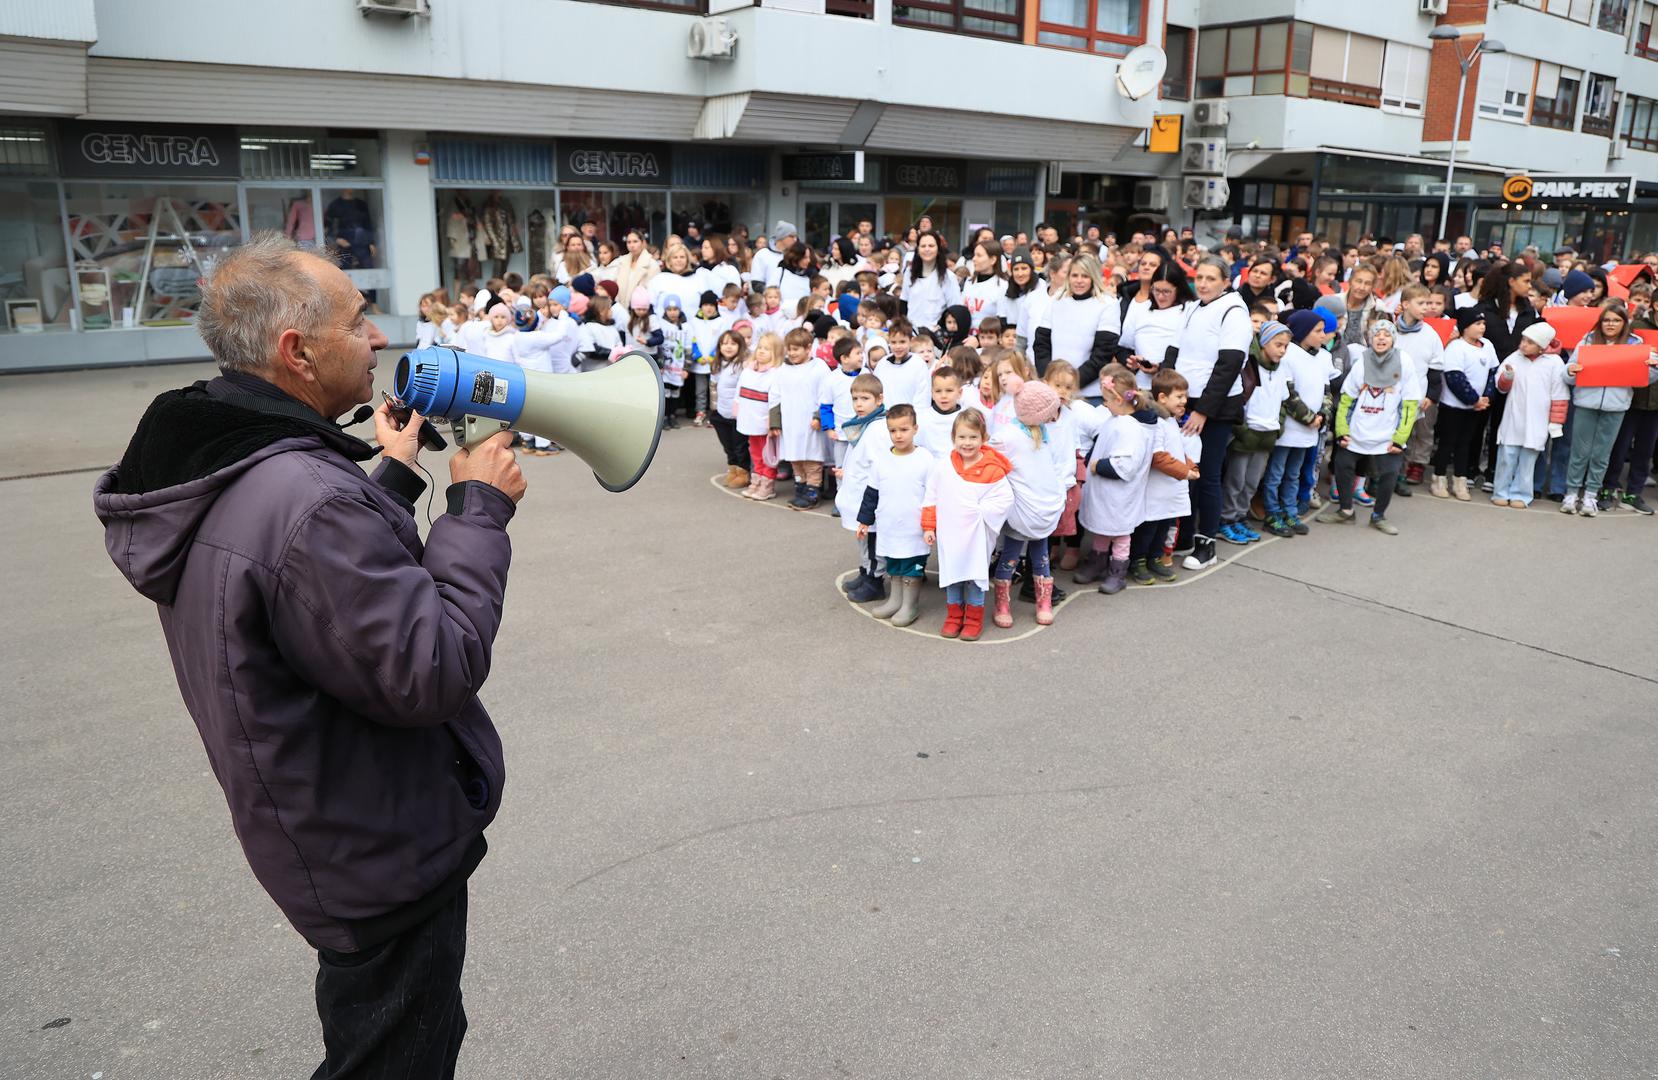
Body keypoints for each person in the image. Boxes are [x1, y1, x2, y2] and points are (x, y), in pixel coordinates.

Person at [94, 234, 526, 1079]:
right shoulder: (309, 496)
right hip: (376, 844)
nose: (378, 341)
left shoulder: (227, 455)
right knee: (397, 1055)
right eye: (359, 324)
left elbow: (317, 592)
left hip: (319, 821)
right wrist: (476, 511)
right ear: (296, 352)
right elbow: (428, 665)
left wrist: (392, 483)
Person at [1170, 254, 1253, 570]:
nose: (1202, 284)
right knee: (1186, 471)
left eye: (1210, 278)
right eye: (1199, 277)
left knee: (1208, 475)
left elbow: (1229, 365)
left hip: (1214, 407)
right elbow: (1176, 351)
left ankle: (1207, 543)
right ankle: (1186, 535)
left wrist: (1204, 410)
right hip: (1184, 400)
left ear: (1225, 281)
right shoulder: (1192, 307)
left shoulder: (1234, 311)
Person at [921, 409, 1014, 641]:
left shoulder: (993, 469)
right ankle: (953, 617)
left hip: (977, 535)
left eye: (973, 437)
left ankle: (973, 619)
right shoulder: (944, 467)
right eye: (962, 437)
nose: (967, 442)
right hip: (950, 533)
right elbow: (931, 496)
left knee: (974, 575)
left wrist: (979, 511)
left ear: (983, 438)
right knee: (953, 573)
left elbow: (1004, 499)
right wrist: (929, 526)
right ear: (954, 438)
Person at [1318, 320, 1417, 534]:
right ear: (1370, 338)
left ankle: (1378, 516)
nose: (1381, 338)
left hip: (1387, 434)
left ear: (1393, 339)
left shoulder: (1404, 361)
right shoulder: (1361, 361)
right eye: (1377, 334)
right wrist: (1342, 430)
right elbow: (1346, 398)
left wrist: (1400, 437)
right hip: (1357, 431)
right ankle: (1345, 511)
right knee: (1342, 465)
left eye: (1386, 334)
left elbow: (1410, 403)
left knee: (1390, 473)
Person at [1221, 321, 1316, 543]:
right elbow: (1237, 401)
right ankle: (1226, 519)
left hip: (1267, 435)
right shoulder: (1249, 366)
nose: (1282, 350)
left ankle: (1241, 516)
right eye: (1278, 345)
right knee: (1236, 480)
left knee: (1252, 481)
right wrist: (1242, 430)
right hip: (1247, 433)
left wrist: (1279, 427)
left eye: (1285, 346)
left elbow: (1284, 402)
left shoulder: (1282, 369)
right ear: (1264, 343)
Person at [1561, 305, 1658, 516]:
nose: (1610, 324)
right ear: (1600, 322)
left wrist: (1653, 368)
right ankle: (1571, 493)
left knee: (1601, 454)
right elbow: (1567, 372)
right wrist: (1570, 370)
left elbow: (1644, 380)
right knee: (1580, 451)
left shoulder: (1635, 344)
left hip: (1616, 406)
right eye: (1606, 320)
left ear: (1624, 323)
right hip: (1586, 403)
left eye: (1616, 320)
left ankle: (1591, 496)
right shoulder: (1587, 340)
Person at [988, 379, 1068, 628]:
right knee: (1011, 555)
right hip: (1021, 509)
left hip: (1042, 506)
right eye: (1049, 412)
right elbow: (993, 461)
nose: (1053, 417)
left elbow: (1046, 468)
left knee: (1041, 555)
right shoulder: (1008, 437)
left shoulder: (1042, 434)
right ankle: (1002, 604)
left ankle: (1042, 602)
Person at [1075, 364, 1157, 595]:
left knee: (1120, 533)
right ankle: (1097, 562)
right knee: (1103, 527)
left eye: (1107, 400)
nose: (1104, 404)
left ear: (1120, 400)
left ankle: (1117, 571)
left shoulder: (1131, 428)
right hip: (1105, 493)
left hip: (1120, 494)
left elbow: (1126, 464)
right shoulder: (1114, 420)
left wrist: (1097, 466)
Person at [857, 405, 935, 626]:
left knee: (911, 564)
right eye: (893, 430)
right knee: (894, 563)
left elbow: (933, 495)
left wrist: (930, 526)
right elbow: (872, 493)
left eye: (904, 429)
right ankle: (895, 600)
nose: (898, 435)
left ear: (915, 429)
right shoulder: (882, 459)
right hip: (890, 525)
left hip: (914, 527)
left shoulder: (925, 458)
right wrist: (864, 520)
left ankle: (910, 606)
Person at [1130, 368, 1199, 583]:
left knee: (1163, 526)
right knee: (1148, 527)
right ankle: (1137, 560)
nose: (1184, 401)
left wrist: (1190, 465)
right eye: (1179, 396)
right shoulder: (1156, 423)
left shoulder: (1171, 421)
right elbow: (1158, 456)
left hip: (1170, 491)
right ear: (1162, 397)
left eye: (1185, 396)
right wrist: (1184, 472)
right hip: (1156, 490)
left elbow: (1177, 450)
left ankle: (1154, 558)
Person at [1491, 321, 1567, 509]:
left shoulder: (1554, 363)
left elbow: (1559, 395)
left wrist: (1555, 423)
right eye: (1523, 340)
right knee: (1506, 457)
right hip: (1513, 417)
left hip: (1537, 420)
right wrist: (1506, 378)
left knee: (1528, 460)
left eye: (1530, 342)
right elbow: (1500, 387)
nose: (1523, 344)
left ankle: (1521, 494)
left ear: (1541, 346)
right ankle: (1500, 491)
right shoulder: (1514, 358)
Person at [833, 373, 891, 603]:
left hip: (869, 497)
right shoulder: (863, 425)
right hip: (856, 493)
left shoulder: (878, 428)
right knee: (863, 539)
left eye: (865, 398)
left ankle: (875, 580)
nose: (859, 404)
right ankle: (865, 571)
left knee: (872, 539)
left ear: (879, 399)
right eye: (855, 398)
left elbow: (878, 465)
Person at [1429, 307, 1497, 500]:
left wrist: (1486, 398)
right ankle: (1439, 478)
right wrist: (1473, 399)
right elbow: (1454, 377)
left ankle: (1460, 479)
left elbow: (1493, 373)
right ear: (1465, 327)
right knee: (1447, 442)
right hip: (1453, 406)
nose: (1482, 327)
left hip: (1476, 407)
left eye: (1483, 323)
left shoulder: (1488, 346)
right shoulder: (1456, 347)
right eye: (1477, 323)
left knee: (1465, 444)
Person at [1032, 252, 1120, 398]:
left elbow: (1103, 353)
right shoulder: (1057, 299)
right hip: (1053, 389)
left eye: (1085, 276)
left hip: (1088, 392)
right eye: (1074, 275)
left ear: (1093, 277)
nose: (1079, 281)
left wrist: (1071, 383)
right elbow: (1041, 344)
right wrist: (1050, 379)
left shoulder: (1108, 303)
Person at [776, 327, 830, 508]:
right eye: (789, 349)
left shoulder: (819, 368)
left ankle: (813, 490)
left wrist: (819, 417)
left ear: (808, 348)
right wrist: (775, 422)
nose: (791, 353)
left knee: (811, 459)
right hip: (791, 423)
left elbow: (826, 395)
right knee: (795, 458)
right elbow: (775, 395)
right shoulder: (783, 370)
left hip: (810, 423)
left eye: (796, 349)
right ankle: (800, 487)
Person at [737, 332, 784, 501]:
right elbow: (739, 391)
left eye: (767, 349)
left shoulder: (775, 374)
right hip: (750, 418)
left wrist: (773, 422)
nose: (762, 351)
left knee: (768, 454)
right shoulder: (748, 371)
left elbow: (775, 399)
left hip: (764, 420)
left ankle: (767, 483)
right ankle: (756, 478)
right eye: (760, 348)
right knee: (755, 451)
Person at [710, 329, 753, 490]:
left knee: (740, 445)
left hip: (737, 414)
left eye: (733, 343)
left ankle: (743, 472)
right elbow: (713, 388)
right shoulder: (716, 363)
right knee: (727, 445)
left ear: (740, 346)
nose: (728, 347)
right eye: (724, 343)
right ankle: (733, 468)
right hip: (720, 412)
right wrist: (713, 411)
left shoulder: (743, 364)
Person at [900, 230, 962, 331]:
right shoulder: (909, 273)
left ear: (938, 249)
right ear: (918, 249)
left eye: (931, 246)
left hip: (935, 336)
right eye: (923, 246)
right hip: (911, 333)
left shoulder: (948, 277)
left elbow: (955, 309)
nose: (927, 249)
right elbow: (904, 302)